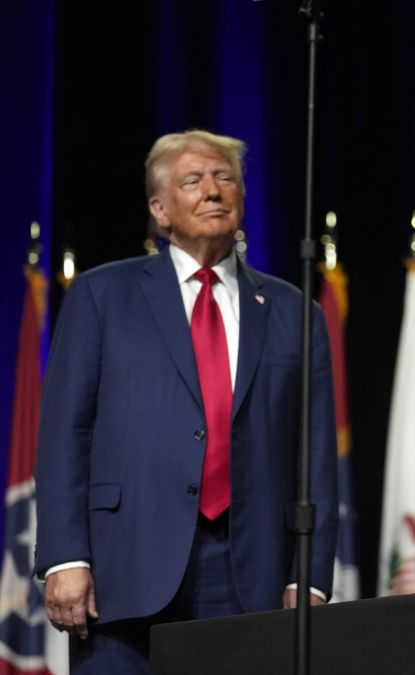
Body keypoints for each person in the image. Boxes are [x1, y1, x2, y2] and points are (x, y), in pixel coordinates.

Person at [34, 130, 338, 673]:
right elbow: (64, 435)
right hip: (122, 567)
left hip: (250, 571)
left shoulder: (295, 312)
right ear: (160, 209)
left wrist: (308, 575)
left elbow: (314, 452)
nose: (214, 191)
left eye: (226, 179)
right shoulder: (102, 296)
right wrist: (65, 556)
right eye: (193, 181)